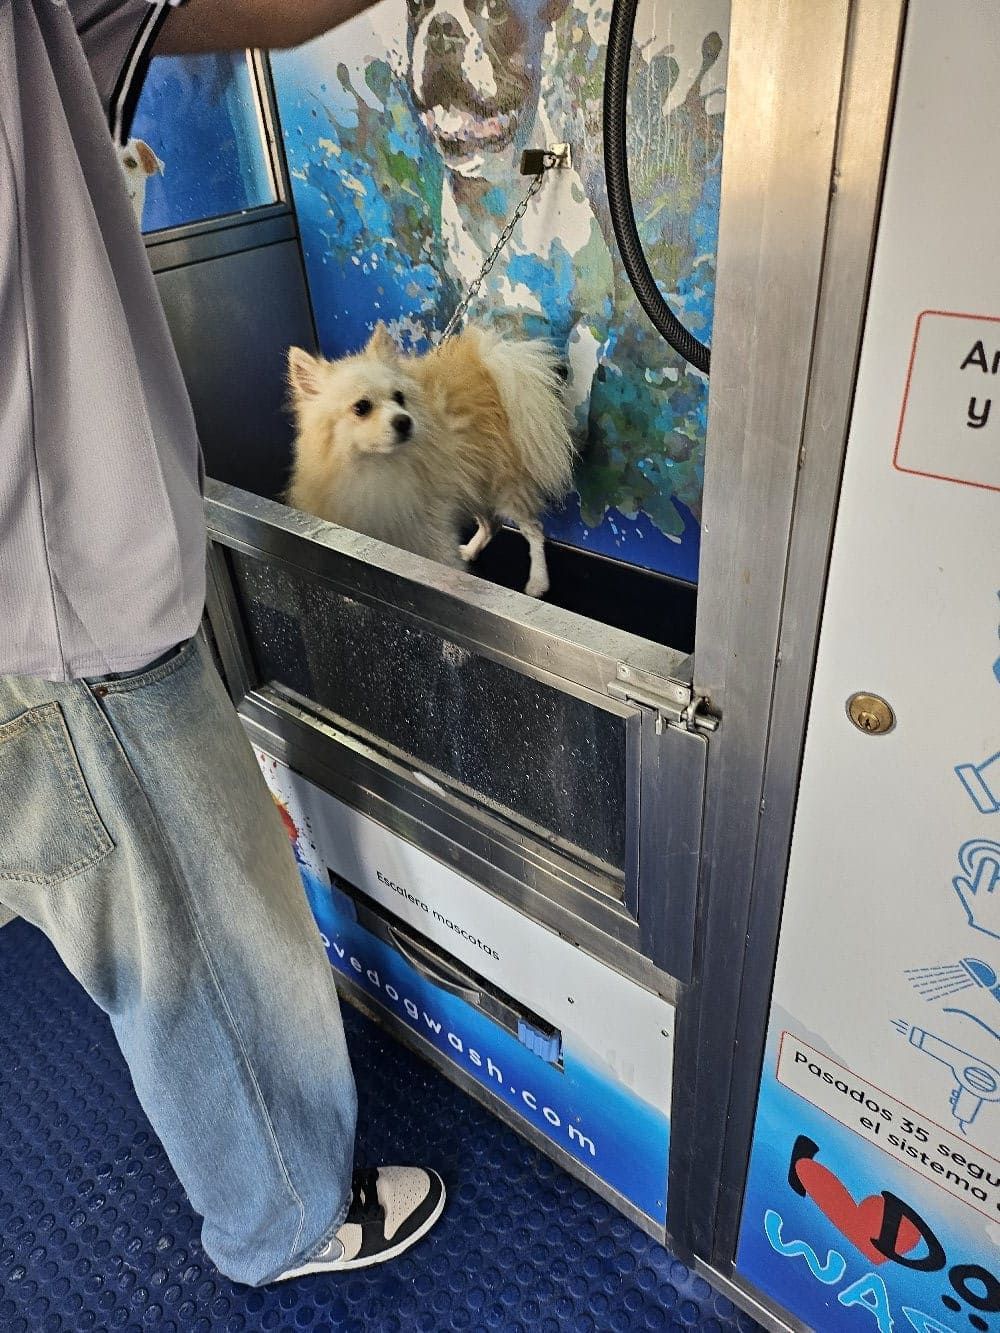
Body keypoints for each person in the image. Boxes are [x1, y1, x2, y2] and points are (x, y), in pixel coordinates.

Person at [0, 0, 445, 1288]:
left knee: (139, 905)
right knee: (202, 924)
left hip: (50, 591)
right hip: (58, 610)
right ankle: (289, 1219)